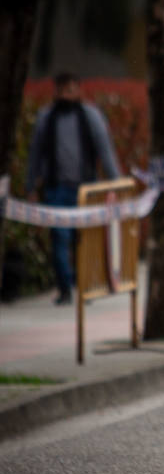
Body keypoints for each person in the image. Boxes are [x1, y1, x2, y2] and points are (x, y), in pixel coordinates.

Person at [24, 74, 121, 305]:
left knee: (84, 240)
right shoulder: (46, 118)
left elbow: (105, 151)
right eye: (61, 90)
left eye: (70, 89)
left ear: (79, 90)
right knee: (59, 239)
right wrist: (30, 186)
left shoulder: (90, 116)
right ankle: (65, 288)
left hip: (85, 190)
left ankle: (84, 285)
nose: (66, 94)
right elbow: (35, 154)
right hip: (56, 189)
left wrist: (116, 183)